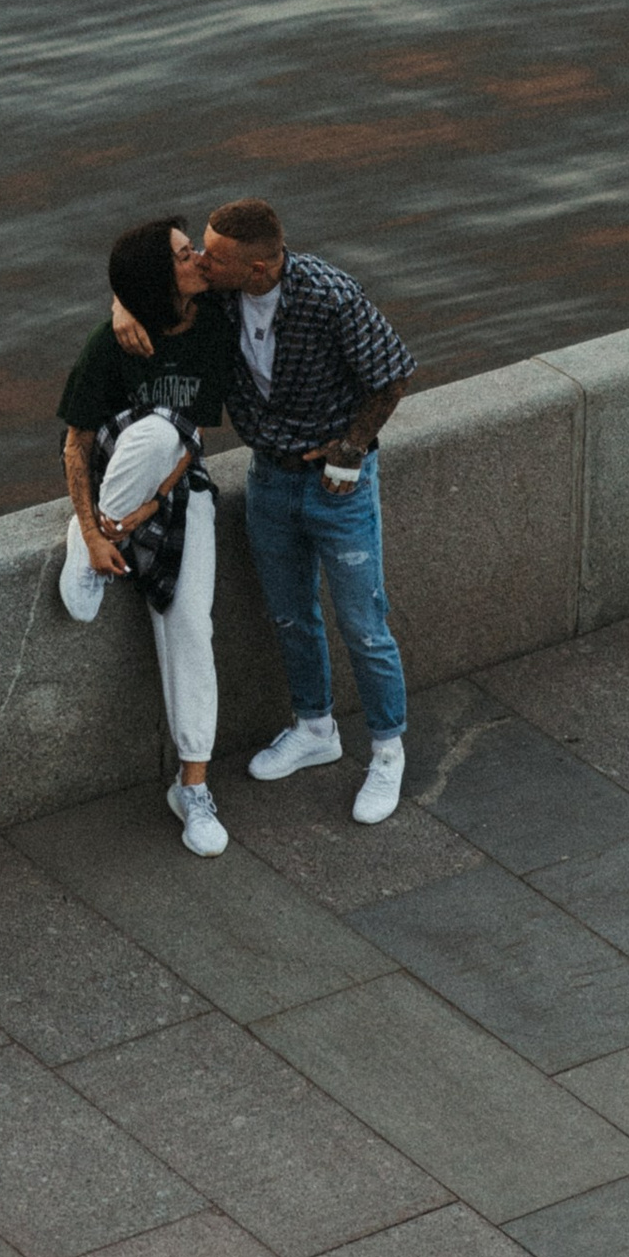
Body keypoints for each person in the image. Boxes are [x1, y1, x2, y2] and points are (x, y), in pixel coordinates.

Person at [113, 194, 415, 825]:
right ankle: (315, 728)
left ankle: (387, 751)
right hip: (269, 481)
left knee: (364, 622)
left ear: (256, 270)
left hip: (337, 485)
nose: (197, 260)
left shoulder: (330, 297)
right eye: (196, 248)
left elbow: (391, 374)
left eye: (212, 256)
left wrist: (352, 449)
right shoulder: (217, 294)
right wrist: (120, 306)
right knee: (289, 615)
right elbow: (152, 282)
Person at [56, 217, 241, 856]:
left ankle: (192, 788)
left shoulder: (214, 320)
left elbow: (196, 438)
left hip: (176, 486)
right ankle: (90, 548)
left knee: (192, 623)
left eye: (192, 250)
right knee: (156, 429)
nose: (198, 258)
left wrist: (156, 503)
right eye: (185, 254)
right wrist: (95, 527)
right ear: (160, 279)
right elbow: (75, 444)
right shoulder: (110, 345)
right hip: (117, 472)